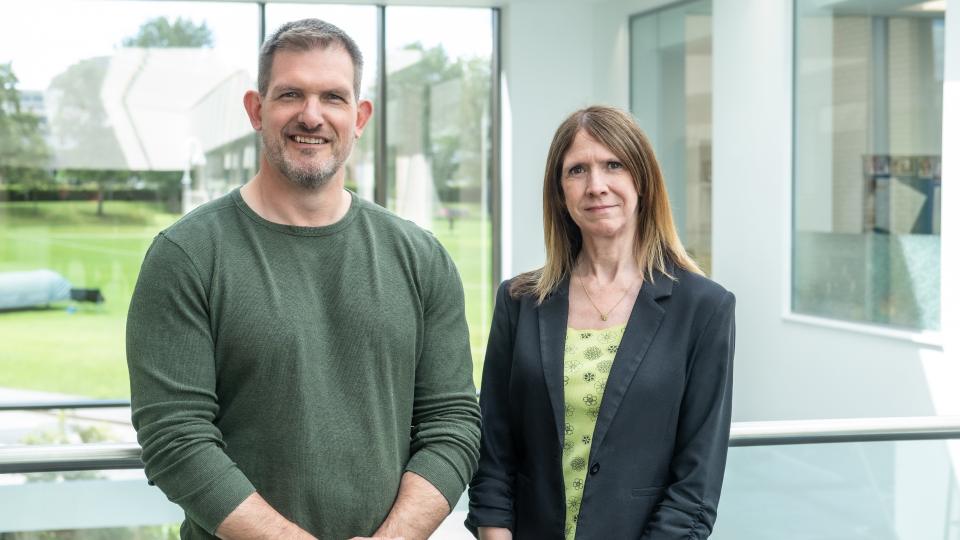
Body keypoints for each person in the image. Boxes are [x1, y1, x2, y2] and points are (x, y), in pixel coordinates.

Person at [126, 18, 480, 540]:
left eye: (333, 97)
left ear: (359, 116)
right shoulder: (186, 256)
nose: (311, 116)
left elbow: (451, 424)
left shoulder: (420, 257)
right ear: (255, 109)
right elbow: (177, 439)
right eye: (291, 94)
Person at [465, 106, 735, 539]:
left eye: (613, 165)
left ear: (641, 181)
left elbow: (695, 488)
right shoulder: (519, 302)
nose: (596, 186)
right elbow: (494, 458)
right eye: (577, 170)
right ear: (560, 192)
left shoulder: (704, 308)